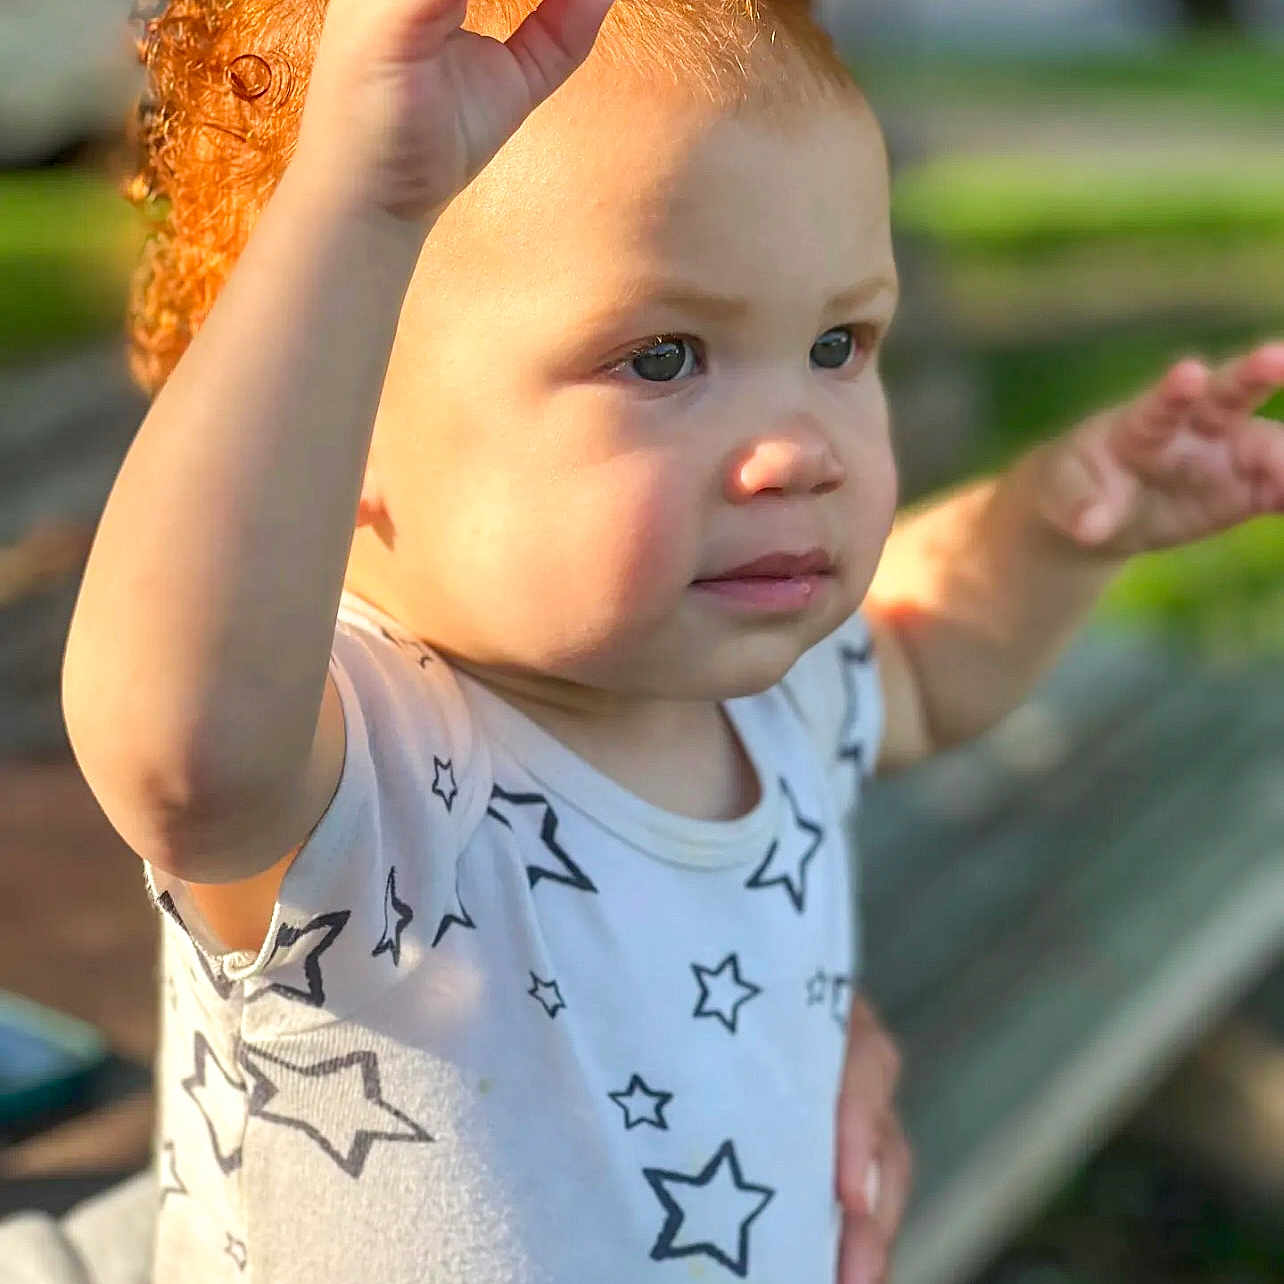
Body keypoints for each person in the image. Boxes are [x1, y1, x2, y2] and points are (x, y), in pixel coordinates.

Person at [60, 0, 1284, 1278]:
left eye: (834, 344)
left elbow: (921, 657)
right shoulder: (363, 780)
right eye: (661, 358)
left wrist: (1055, 530)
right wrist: (357, 208)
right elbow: (179, 747)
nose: (801, 447)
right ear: (340, 427)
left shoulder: (764, 692)